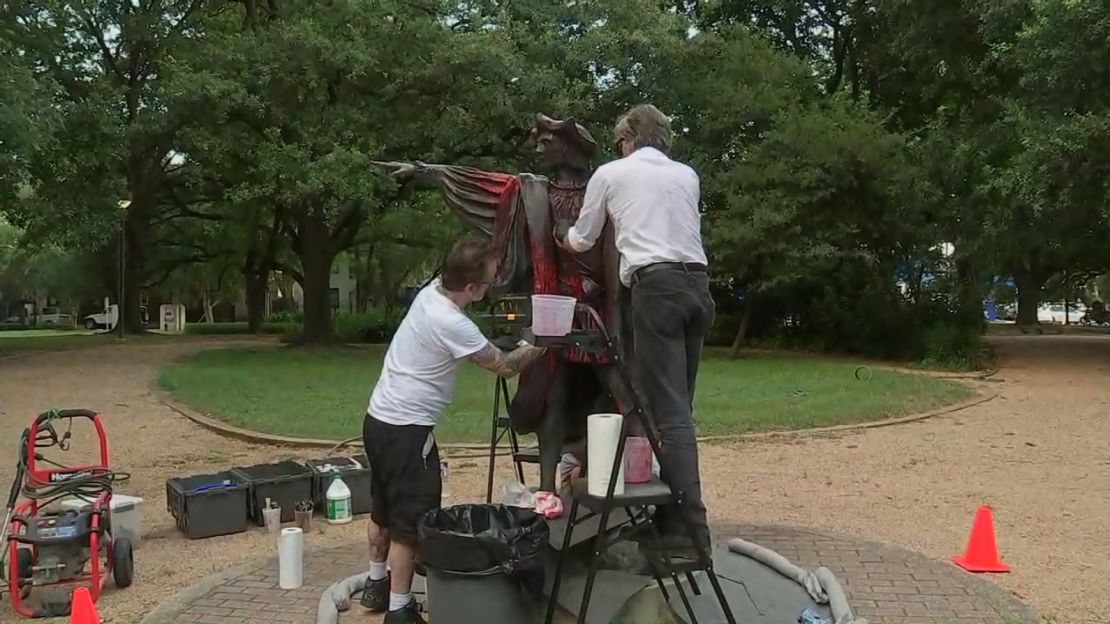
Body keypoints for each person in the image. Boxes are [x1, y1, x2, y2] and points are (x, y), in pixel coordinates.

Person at [359, 236, 546, 624]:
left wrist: (500, 341)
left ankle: (376, 585)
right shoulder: (451, 321)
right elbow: (506, 366)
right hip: (408, 431)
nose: (493, 284)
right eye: (489, 280)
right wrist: (542, 340)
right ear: (472, 288)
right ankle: (399, 610)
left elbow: (473, 344)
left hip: (379, 421)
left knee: (383, 508)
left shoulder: (430, 293)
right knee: (409, 526)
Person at [556, 104, 715, 553]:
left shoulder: (611, 173)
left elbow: (584, 239)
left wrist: (562, 235)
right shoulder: (686, 175)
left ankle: (690, 533)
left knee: (669, 416)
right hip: (697, 288)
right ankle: (668, 521)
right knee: (676, 407)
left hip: (656, 291)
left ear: (627, 139)